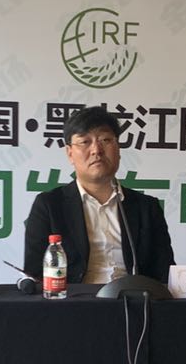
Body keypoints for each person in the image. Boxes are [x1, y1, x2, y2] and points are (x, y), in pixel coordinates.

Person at [21, 105, 175, 283]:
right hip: (73, 298)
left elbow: (165, 274)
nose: (96, 150)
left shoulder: (146, 207)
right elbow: (35, 274)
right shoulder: (49, 205)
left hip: (133, 298)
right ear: (70, 153)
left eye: (105, 140)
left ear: (118, 149)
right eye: (85, 142)